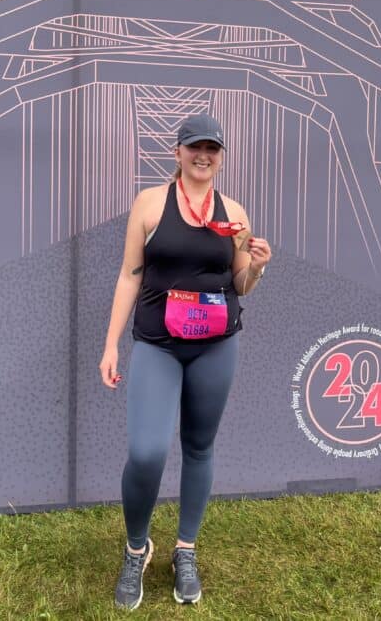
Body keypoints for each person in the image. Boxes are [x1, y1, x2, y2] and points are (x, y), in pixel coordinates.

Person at [99, 113, 272, 610]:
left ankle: (185, 549)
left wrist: (256, 265)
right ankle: (137, 547)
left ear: (220, 157)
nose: (203, 155)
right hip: (158, 344)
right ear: (177, 153)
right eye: (194, 146)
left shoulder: (235, 213)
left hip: (217, 346)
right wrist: (111, 345)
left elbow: (240, 285)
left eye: (212, 149)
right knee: (148, 451)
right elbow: (130, 275)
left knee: (199, 446)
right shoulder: (150, 204)